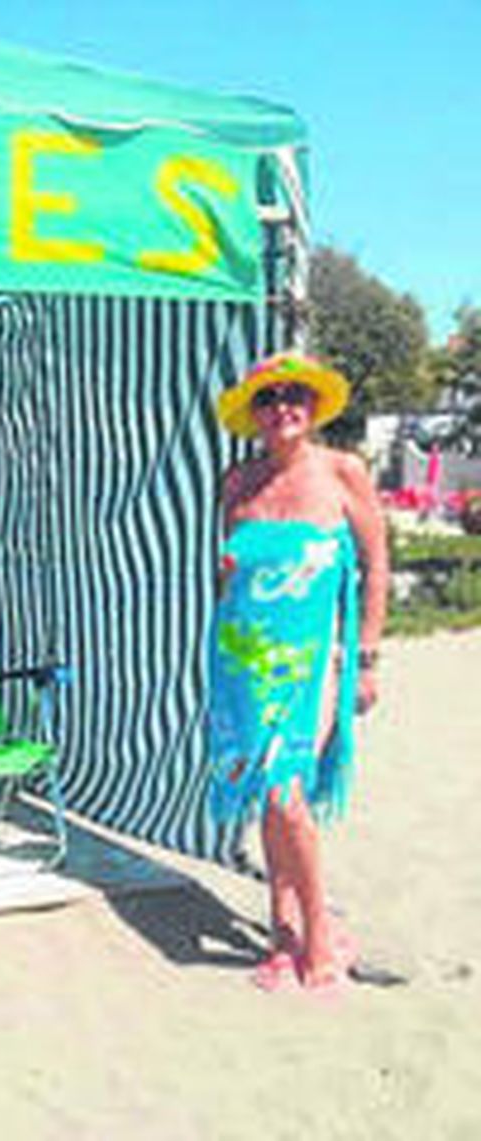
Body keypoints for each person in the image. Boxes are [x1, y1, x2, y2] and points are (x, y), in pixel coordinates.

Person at [207, 351, 390, 991]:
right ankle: (280, 932)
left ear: (313, 407)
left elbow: (376, 568)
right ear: (253, 413)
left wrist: (365, 657)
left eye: (296, 395)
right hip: (241, 661)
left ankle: (319, 935)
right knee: (267, 790)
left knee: (287, 790)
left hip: (314, 664)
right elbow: (226, 572)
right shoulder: (238, 484)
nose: (284, 406)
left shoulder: (344, 472)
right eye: (269, 397)